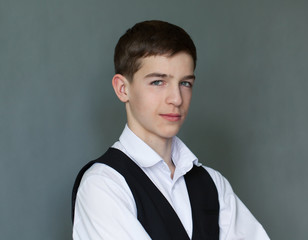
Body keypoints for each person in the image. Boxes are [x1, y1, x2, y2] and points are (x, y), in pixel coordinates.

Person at [72, 20, 270, 240]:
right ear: (122, 88)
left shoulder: (213, 184)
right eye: (158, 82)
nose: (176, 99)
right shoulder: (103, 185)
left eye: (185, 83)